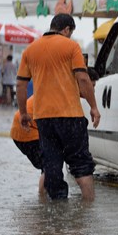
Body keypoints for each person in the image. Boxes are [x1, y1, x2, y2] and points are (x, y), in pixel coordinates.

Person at [16, 14, 101, 201]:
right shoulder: (71, 47)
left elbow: (21, 85)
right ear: (67, 30)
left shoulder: (30, 50)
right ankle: (88, 211)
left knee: (52, 165)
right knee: (81, 165)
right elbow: (83, 78)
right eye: (70, 33)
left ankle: (57, 216)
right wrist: (93, 107)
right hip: (71, 116)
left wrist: (23, 113)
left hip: (43, 119)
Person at [11, 67, 100, 197]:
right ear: (81, 82)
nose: (93, 90)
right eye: (92, 86)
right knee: (49, 165)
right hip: (27, 129)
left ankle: (43, 202)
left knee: (48, 165)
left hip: (23, 127)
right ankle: (43, 201)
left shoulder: (63, 89)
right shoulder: (66, 94)